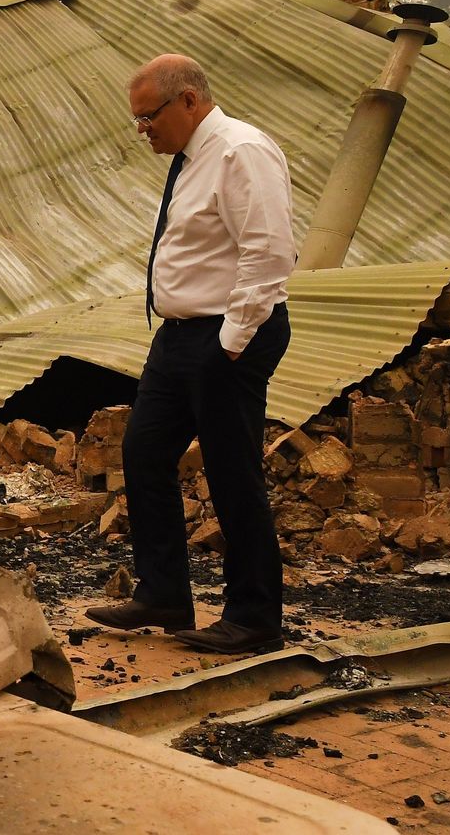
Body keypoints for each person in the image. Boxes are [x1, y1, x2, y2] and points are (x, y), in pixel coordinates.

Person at [85, 54, 297, 654]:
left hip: (227, 334)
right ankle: (163, 594)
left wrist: (230, 343)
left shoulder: (240, 151)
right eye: (137, 119)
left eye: (148, 116)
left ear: (188, 101)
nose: (142, 130)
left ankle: (254, 617)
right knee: (144, 451)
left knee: (232, 472)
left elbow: (269, 251)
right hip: (180, 335)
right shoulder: (190, 159)